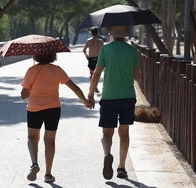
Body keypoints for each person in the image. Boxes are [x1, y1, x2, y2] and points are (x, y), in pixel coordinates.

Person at [21, 52, 91, 183]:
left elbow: (23, 95)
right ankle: (48, 174)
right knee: (50, 141)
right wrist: (85, 101)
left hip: (34, 109)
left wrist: (31, 87)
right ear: (52, 55)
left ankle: (34, 164)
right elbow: (74, 87)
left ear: (36, 56)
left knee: (32, 138)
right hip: (53, 109)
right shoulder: (57, 70)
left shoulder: (31, 70)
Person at [87, 25, 140, 180]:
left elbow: (96, 73)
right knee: (124, 133)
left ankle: (107, 154)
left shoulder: (106, 50)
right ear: (126, 34)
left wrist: (90, 94)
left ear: (111, 33)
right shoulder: (132, 51)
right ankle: (122, 167)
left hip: (109, 96)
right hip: (127, 96)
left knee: (106, 133)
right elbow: (137, 77)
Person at [83, 28, 104, 93]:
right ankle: (96, 87)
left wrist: (87, 56)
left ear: (91, 33)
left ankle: (93, 87)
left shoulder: (88, 41)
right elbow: (103, 51)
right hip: (98, 59)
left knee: (92, 74)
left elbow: (84, 50)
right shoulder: (100, 41)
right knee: (97, 74)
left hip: (91, 59)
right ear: (97, 33)